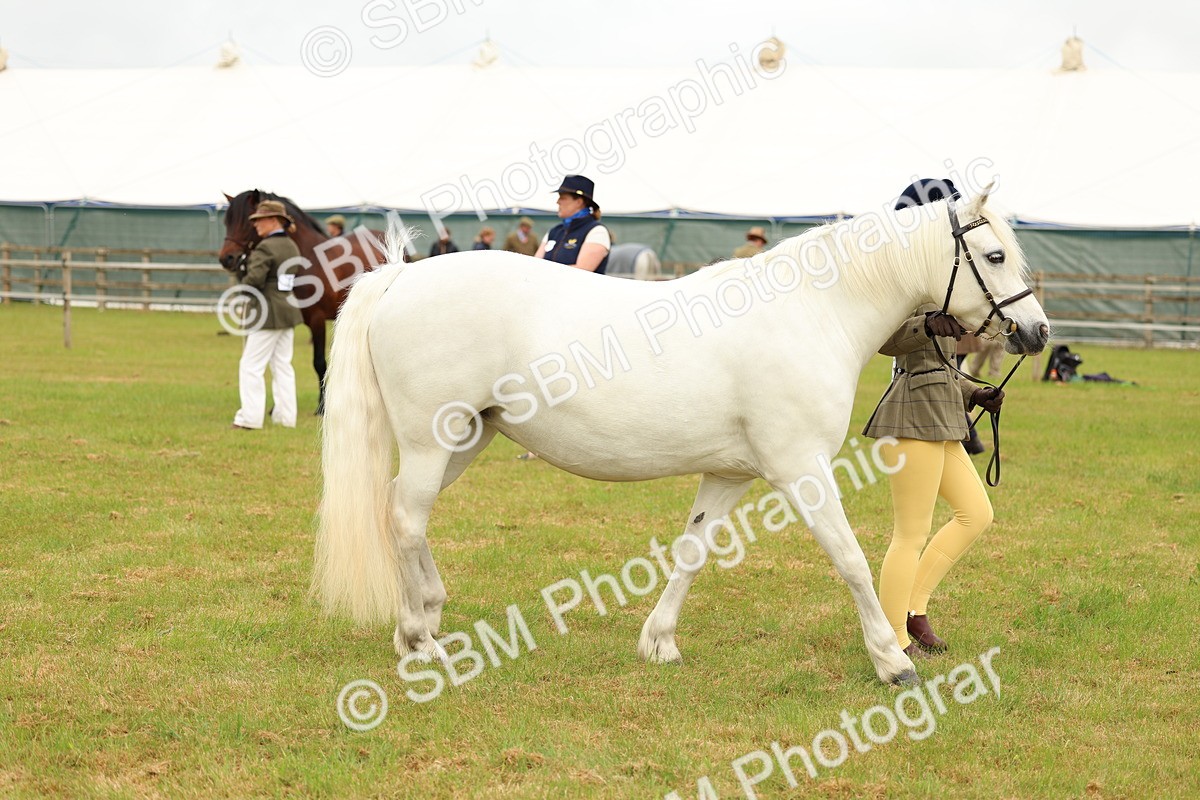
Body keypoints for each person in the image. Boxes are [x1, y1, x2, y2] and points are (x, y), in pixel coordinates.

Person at [862, 178, 1006, 660]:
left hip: (941, 416)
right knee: (910, 533)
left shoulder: (941, 278)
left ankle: (914, 608)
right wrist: (925, 322)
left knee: (976, 514)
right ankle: (892, 636)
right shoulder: (903, 278)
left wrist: (975, 390)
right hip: (911, 418)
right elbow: (885, 340)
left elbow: (939, 368)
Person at [228, 200, 304, 430]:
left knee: (251, 366)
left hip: (267, 313)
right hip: (287, 310)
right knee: (282, 366)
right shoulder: (292, 246)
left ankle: (249, 419)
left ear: (273, 221)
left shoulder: (265, 248)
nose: (256, 225)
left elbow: (254, 281)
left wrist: (242, 272)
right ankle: (286, 418)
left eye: (259, 220)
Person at [534, 175, 610, 274]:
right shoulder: (554, 231)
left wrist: (544, 273)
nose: (558, 202)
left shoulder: (597, 231)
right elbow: (535, 264)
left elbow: (581, 271)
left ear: (579, 202)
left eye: (563, 197)